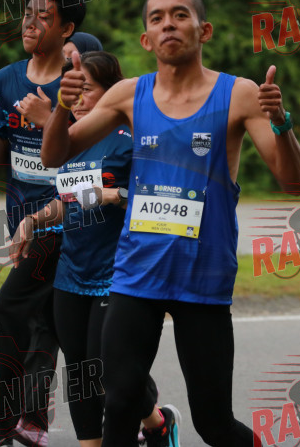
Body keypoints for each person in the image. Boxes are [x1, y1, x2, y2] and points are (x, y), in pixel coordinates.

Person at [41, 0, 300, 446]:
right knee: (119, 402)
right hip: (136, 275)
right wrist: (62, 107)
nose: (169, 24)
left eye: (180, 15)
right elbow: (55, 155)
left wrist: (281, 122)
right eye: (157, 18)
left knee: (213, 424)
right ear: (146, 39)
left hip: (202, 278)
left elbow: (293, 181)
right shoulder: (128, 94)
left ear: (204, 30)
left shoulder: (240, 94)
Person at [13, 52, 179, 446]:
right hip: (72, 273)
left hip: (118, 273)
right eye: (72, 91)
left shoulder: (131, 138)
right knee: (80, 373)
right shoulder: (71, 140)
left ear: (111, 91)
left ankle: (156, 422)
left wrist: (115, 194)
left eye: (86, 89)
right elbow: (70, 200)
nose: (78, 98)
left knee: (107, 370)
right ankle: (122, 435)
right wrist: (33, 220)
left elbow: (160, 196)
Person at [0, 0, 85, 447]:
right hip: (22, 218)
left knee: (10, 306)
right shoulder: (5, 79)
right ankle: (36, 423)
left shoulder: (77, 84)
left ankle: (1, 420)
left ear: (66, 28)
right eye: (27, 13)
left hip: (66, 220)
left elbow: (93, 156)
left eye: (43, 16)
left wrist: (50, 117)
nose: (30, 23)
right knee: (50, 322)